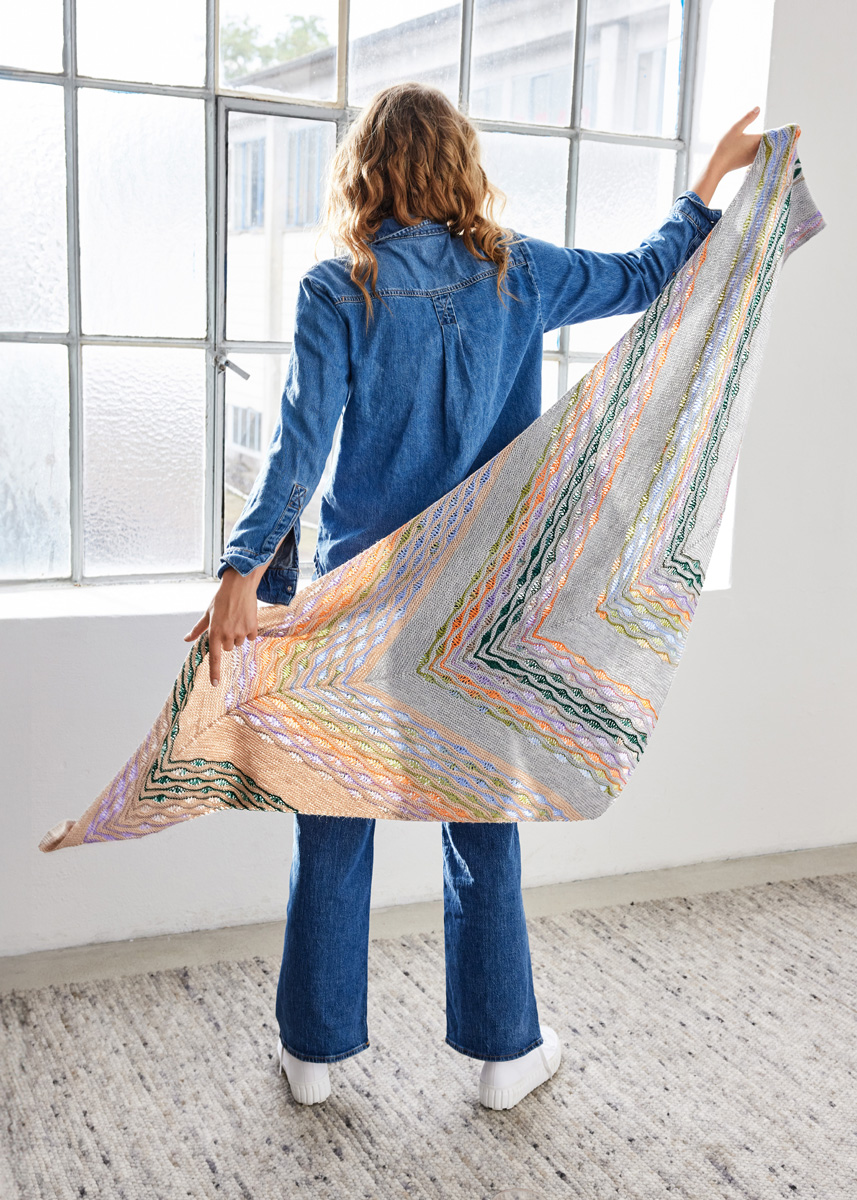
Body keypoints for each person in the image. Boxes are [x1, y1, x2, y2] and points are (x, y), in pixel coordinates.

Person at [185, 83, 762, 1110]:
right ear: (458, 165)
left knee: (332, 811)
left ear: (364, 172)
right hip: (484, 602)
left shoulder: (338, 288)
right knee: (482, 815)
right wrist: (709, 180)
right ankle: (505, 1056)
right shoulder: (517, 272)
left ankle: (312, 1055)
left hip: (363, 597)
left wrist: (244, 574)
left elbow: (297, 449)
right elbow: (646, 275)